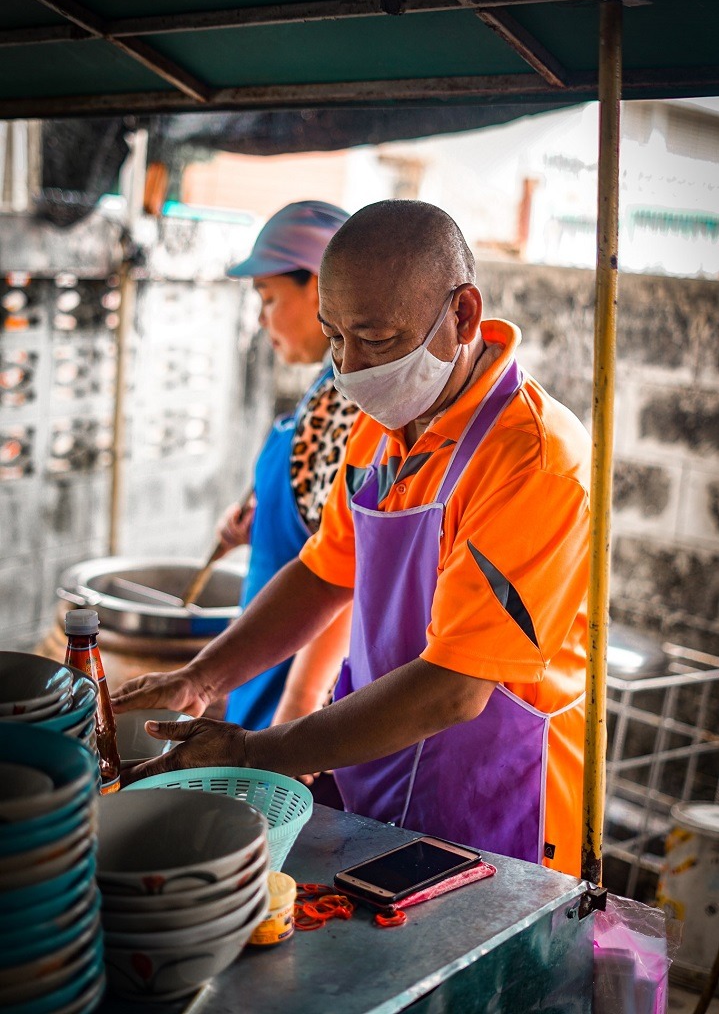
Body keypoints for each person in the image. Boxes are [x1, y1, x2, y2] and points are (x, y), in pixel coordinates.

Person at [114, 200, 590, 876]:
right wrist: (204, 676)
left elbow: (456, 688)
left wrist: (258, 751)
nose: (351, 367)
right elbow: (324, 573)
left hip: (492, 803)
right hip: (372, 773)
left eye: (376, 338)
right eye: (335, 337)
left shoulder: (533, 458)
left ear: (461, 315)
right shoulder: (382, 426)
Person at [215, 200, 357, 731]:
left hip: (291, 694)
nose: (261, 318)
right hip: (265, 674)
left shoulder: (342, 407)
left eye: (269, 297)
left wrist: (298, 708)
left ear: (321, 289)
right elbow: (313, 525)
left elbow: (347, 572)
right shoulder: (323, 394)